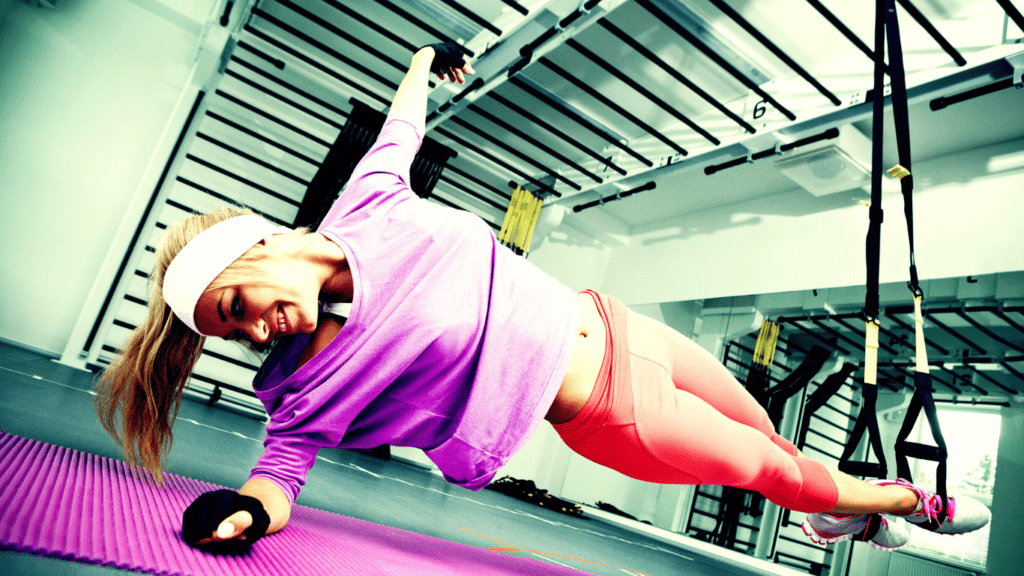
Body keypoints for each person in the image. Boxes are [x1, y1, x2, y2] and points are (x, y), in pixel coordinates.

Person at [95, 42, 990, 553]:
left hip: (615, 324)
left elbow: (402, 125)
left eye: (241, 301)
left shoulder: (363, 210)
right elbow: (278, 472)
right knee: (775, 472)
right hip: (605, 413)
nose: (258, 327)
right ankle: (911, 508)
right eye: (236, 332)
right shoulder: (297, 388)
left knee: (768, 435)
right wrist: (248, 513)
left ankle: (841, 511)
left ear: (261, 245)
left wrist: (420, 61)